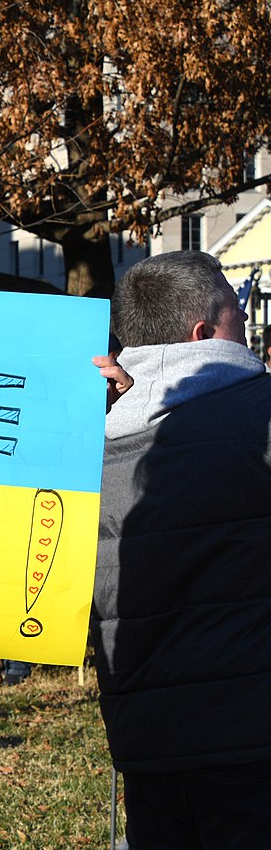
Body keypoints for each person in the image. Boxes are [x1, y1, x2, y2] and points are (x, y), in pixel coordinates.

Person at [94, 250, 271, 846]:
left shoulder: (91, 444)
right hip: (253, 733)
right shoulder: (260, 414)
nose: (246, 323)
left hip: (144, 738)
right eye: (238, 313)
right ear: (204, 334)